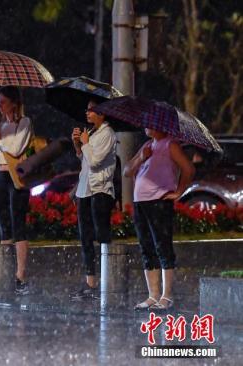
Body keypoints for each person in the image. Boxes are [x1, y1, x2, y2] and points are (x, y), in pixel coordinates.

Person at [124, 129, 195, 311]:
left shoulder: (170, 145)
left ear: (161, 125)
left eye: (151, 122)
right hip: (141, 203)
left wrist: (178, 192)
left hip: (159, 203)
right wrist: (141, 157)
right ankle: (153, 295)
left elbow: (188, 169)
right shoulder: (147, 146)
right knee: (147, 248)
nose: (147, 126)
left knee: (162, 247)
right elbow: (126, 171)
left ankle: (167, 296)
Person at [70, 98, 117, 300]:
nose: (87, 113)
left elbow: (96, 162)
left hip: (100, 191)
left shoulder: (108, 133)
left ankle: (107, 282)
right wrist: (77, 145)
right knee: (85, 238)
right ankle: (91, 283)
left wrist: (86, 144)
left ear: (102, 113)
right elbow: (86, 161)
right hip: (84, 191)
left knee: (102, 236)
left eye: (92, 110)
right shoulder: (93, 133)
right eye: (87, 110)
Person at [0, 86, 32, 295]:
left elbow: (15, 149)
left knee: (17, 222)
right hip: (0, 175)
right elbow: (1, 153)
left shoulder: (25, 123)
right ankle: (5, 271)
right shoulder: (3, 125)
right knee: (3, 223)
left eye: (2, 101)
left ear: (14, 103)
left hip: (17, 177)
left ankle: (21, 274)